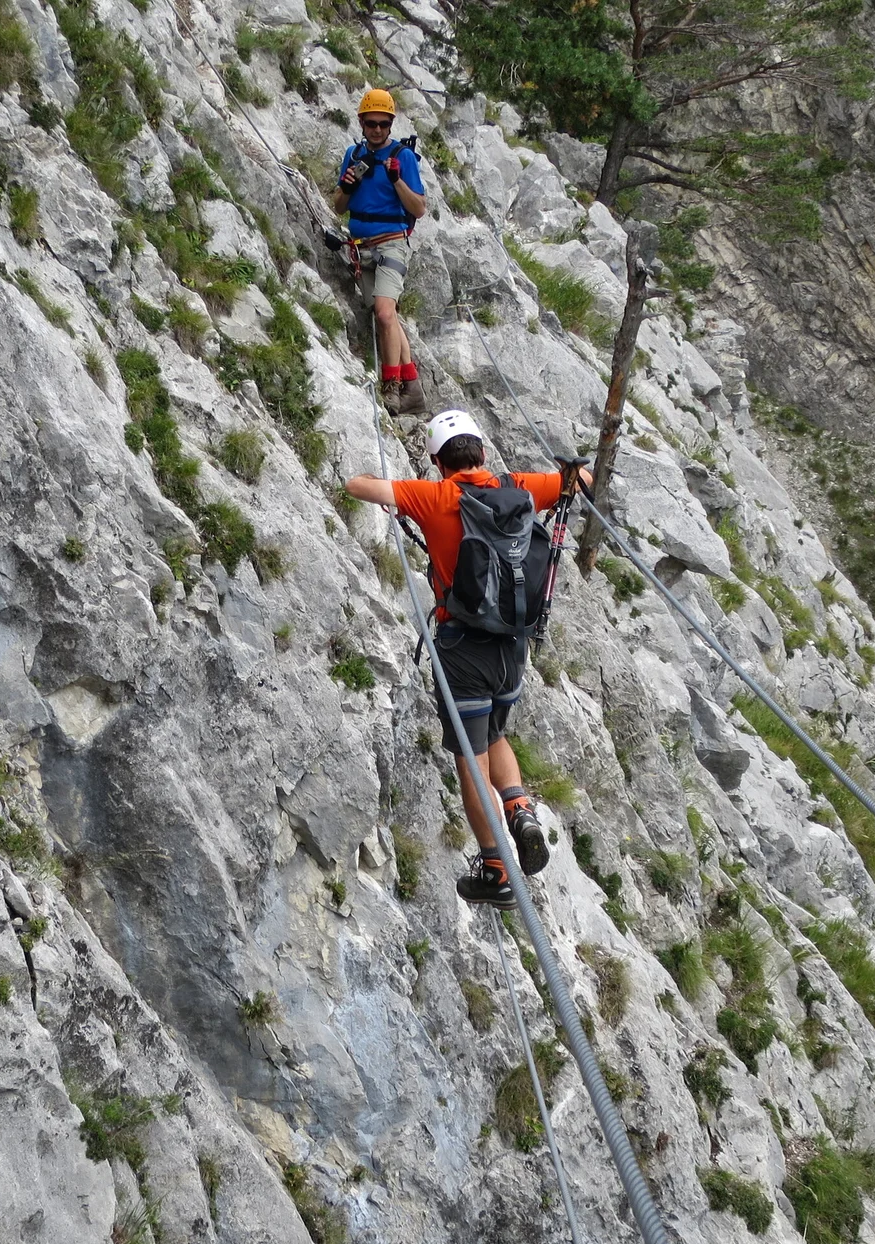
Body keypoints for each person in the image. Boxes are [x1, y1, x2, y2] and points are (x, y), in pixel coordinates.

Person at [345, 410, 579, 908]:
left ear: (436, 461)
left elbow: (355, 486)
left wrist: (395, 483)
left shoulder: (433, 496)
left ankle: (496, 866)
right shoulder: (518, 486)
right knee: (496, 733)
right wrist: (571, 472)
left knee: (470, 762)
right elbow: (578, 481)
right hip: (513, 648)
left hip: (462, 649)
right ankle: (519, 808)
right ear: (482, 452)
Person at [334, 88, 428, 416]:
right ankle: (412, 387)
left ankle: (391, 389)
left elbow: (418, 208)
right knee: (386, 317)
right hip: (361, 246)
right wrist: (347, 186)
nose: (377, 129)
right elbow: (339, 205)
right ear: (361, 123)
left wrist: (397, 180)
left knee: (386, 314)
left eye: (383, 124)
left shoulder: (402, 158)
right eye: (371, 123)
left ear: (391, 124)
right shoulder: (353, 154)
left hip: (391, 243)